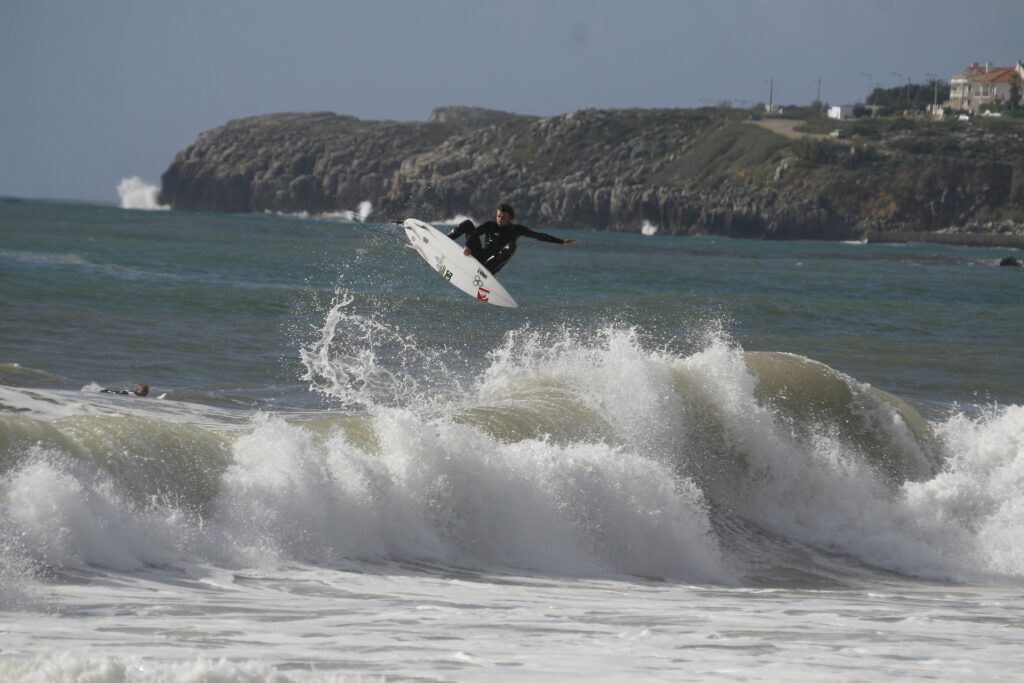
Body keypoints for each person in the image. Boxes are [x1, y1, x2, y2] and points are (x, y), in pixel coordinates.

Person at [448, 202, 575, 274]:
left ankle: (485, 271)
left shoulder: (516, 230)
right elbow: (475, 234)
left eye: (503, 217)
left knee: (512, 245)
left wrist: (561, 242)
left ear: (510, 217)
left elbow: (538, 236)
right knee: (468, 224)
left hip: (491, 266)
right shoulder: (490, 225)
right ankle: (442, 240)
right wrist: (468, 246)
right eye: (498, 216)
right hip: (480, 256)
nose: (499, 219)